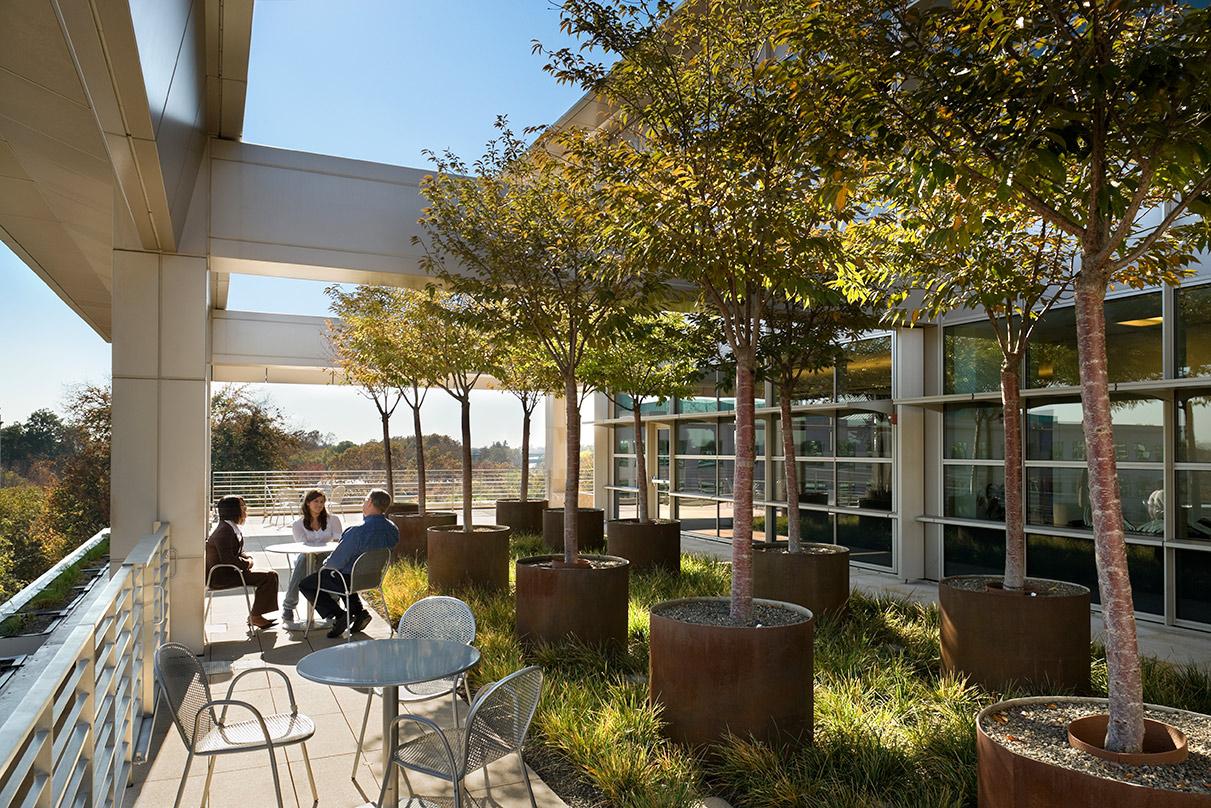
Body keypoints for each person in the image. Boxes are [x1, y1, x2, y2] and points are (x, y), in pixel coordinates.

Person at [299, 488, 398, 638]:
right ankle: (359, 613)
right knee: (347, 574)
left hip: (349, 580)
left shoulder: (356, 532)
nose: (364, 502)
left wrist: (325, 563)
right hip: (373, 578)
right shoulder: (392, 529)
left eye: (365, 499)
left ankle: (340, 616)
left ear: (370, 502)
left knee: (307, 583)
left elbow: (334, 563)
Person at [205, 495, 279, 629]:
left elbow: (237, 552)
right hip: (222, 577)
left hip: (230, 572)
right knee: (270, 576)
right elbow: (228, 559)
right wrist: (248, 563)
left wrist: (247, 558)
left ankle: (256, 615)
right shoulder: (224, 531)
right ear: (234, 510)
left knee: (269, 576)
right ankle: (255, 616)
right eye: (242, 507)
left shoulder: (229, 527)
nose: (246, 510)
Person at [281, 489, 343, 626]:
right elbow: (302, 546)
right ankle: (289, 606)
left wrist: (322, 550)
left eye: (322, 502)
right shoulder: (298, 524)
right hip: (306, 556)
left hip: (327, 555)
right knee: (303, 560)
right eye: (316, 501)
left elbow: (338, 541)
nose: (319, 504)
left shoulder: (333, 519)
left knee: (325, 562)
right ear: (308, 503)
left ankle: (332, 606)